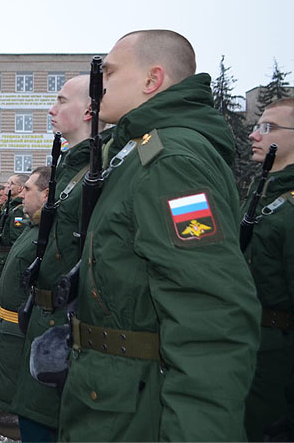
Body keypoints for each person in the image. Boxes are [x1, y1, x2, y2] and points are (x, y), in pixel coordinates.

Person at [57, 30, 260, 441]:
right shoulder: (136, 152)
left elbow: (209, 316)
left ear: (152, 80)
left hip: (137, 410)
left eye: (110, 73)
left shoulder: (170, 162)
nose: (100, 85)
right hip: (113, 398)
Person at [10, 75, 103, 441]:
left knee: (46, 424)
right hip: (46, 319)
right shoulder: (70, 168)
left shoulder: (99, 169)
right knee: (33, 420)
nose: (51, 109)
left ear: (88, 111)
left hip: (68, 322)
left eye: (61, 101)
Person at [243, 97, 294, 442]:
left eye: (268, 128)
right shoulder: (264, 197)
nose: (255, 135)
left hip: (278, 369)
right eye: (256, 126)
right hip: (248, 355)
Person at [0, 166, 50, 427]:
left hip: (21, 322)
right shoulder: (33, 225)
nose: (21, 194)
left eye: (26, 189)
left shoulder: (35, 227)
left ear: (45, 195)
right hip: (11, 321)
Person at [0, 174, 28, 302]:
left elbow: (17, 238)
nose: (7, 186)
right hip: (2, 253)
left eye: (11, 183)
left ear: (20, 188)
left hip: (7, 254)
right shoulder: (10, 207)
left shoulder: (18, 210)